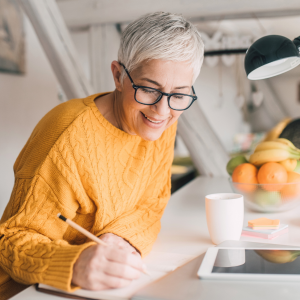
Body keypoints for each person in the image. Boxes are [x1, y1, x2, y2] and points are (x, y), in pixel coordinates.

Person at [0, 11, 204, 296]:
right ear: (118, 76)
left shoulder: (164, 118)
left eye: (179, 95)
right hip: (26, 291)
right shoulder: (66, 135)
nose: (162, 110)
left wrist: (120, 236)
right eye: (148, 89)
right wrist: (74, 264)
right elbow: (9, 242)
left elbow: (152, 202)